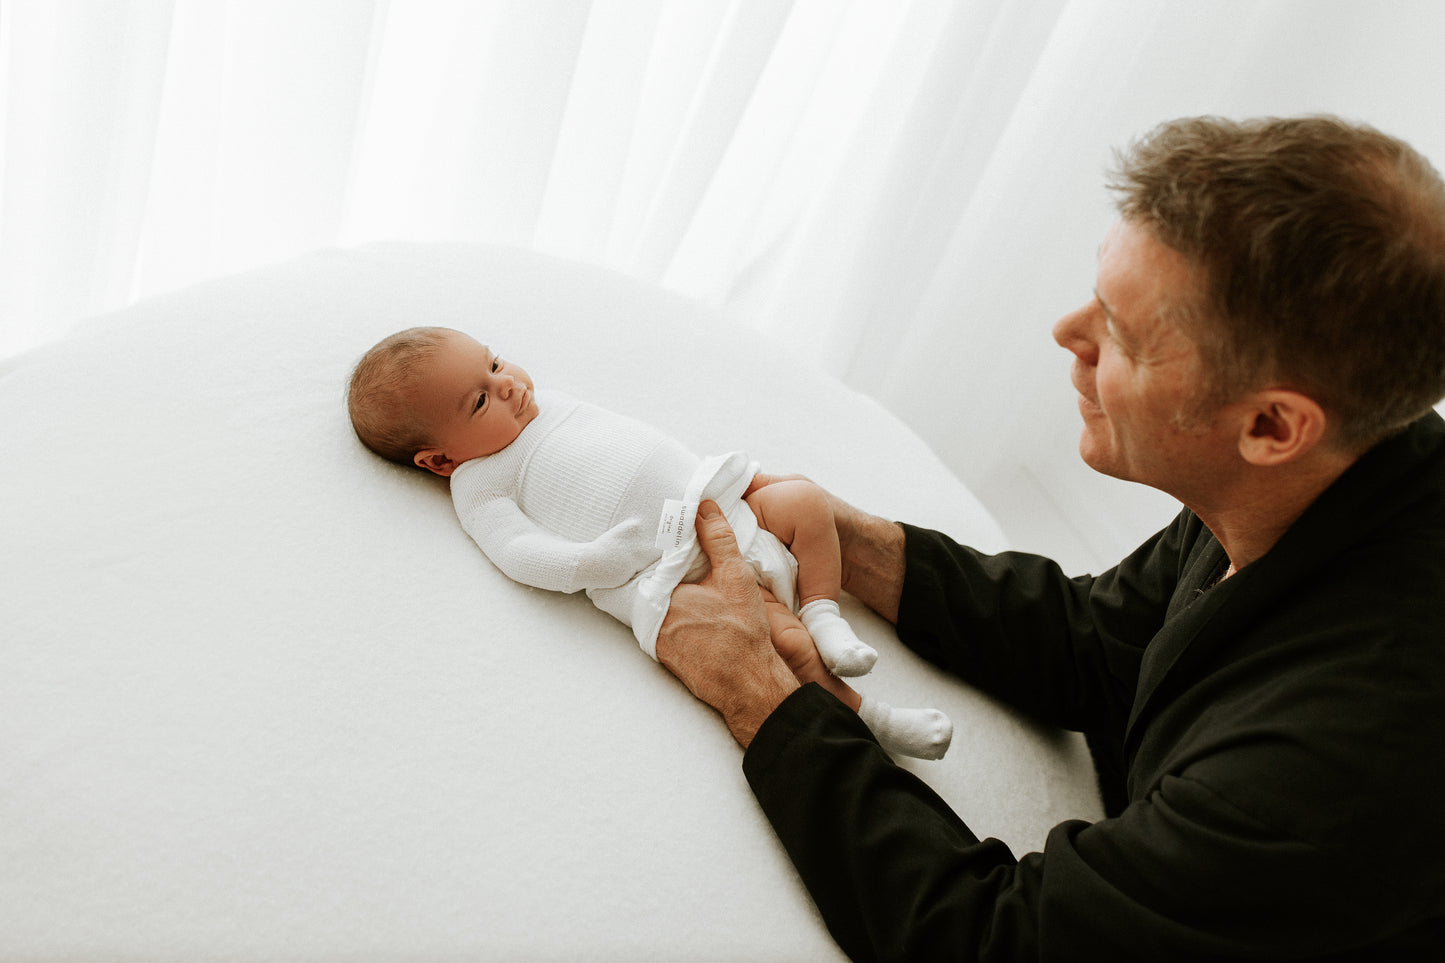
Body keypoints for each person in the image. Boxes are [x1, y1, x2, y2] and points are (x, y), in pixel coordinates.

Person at [655, 114, 1445, 960]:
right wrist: (857, 540)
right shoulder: (1337, 469)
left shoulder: (1318, 773)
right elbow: (1107, 642)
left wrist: (760, 694)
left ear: (1270, 424)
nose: (1069, 332)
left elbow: (989, 940)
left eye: (1121, 335)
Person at [346, 327, 953, 760]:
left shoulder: (544, 403)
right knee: (780, 643)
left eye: (496, 364)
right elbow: (517, 551)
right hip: (686, 570)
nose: (507, 387)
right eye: (479, 399)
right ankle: (875, 719)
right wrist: (590, 561)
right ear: (441, 460)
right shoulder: (480, 482)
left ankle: (826, 613)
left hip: (714, 500)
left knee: (805, 500)